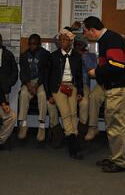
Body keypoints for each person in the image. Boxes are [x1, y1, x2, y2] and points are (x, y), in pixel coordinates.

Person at [83, 16, 125, 172]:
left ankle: (120, 162)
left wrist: (96, 72)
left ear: (93, 30)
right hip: (118, 86)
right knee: (112, 123)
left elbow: (117, 65)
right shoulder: (107, 38)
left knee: (116, 125)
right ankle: (115, 156)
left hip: (120, 88)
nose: (85, 34)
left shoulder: (110, 40)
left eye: (86, 31)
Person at [47, 29, 83, 159]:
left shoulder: (77, 56)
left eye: (65, 39)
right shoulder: (53, 56)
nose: (62, 42)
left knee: (73, 113)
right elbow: (48, 76)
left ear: (71, 41)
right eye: (61, 39)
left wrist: (80, 91)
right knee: (66, 114)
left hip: (71, 86)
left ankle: (74, 139)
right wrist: (49, 95)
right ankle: (74, 147)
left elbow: (79, 76)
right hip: (58, 87)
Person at [18, 34, 50, 142]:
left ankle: (41, 126)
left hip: (39, 82)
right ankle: (24, 124)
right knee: (23, 94)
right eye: (30, 44)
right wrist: (28, 84)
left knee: (42, 95)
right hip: (28, 82)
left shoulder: (45, 54)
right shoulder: (24, 55)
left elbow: (45, 72)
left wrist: (37, 85)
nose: (32, 46)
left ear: (39, 44)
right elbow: (22, 72)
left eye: (35, 44)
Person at [73, 34, 98, 138]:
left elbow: (94, 71)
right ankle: (72, 128)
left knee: (85, 102)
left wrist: (83, 56)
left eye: (80, 44)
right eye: (76, 44)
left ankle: (82, 127)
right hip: (70, 84)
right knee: (69, 101)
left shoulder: (90, 56)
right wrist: (70, 31)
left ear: (84, 45)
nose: (78, 47)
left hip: (83, 84)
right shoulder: (69, 54)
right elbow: (56, 39)